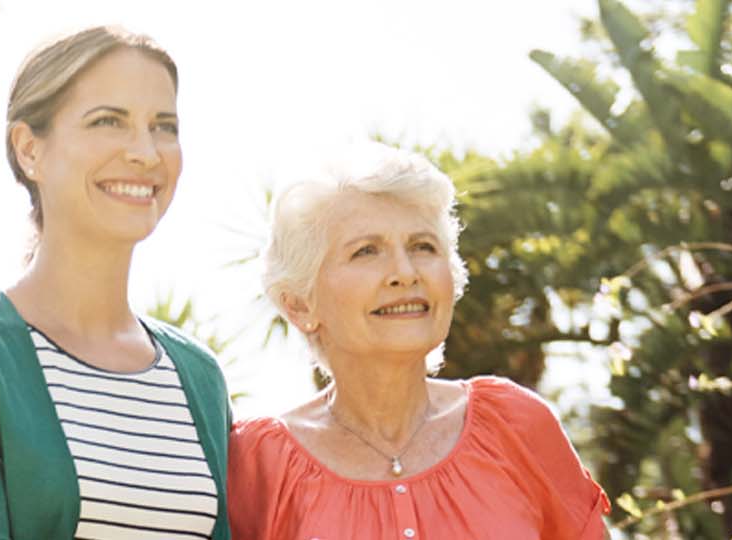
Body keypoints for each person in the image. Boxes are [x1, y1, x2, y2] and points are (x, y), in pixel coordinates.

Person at [0, 26, 231, 540]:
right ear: (29, 150)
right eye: (108, 121)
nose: (146, 152)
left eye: (164, 126)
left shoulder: (199, 377)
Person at [228, 144, 609, 539]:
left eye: (423, 247)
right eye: (366, 251)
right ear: (300, 304)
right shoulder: (256, 464)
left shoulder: (515, 426)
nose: (405, 272)